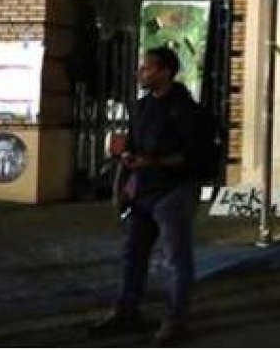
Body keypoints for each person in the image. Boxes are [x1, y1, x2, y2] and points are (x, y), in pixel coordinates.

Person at [89, 47, 203, 346]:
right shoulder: (140, 107)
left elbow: (191, 157)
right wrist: (126, 157)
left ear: (165, 72)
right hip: (142, 192)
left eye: (148, 68)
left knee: (175, 258)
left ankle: (176, 319)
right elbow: (134, 143)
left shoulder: (186, 110)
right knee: (133, 254)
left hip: (174, 192)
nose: (142, 72)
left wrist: (151, 162)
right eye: (142, 67)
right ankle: (126, 310)